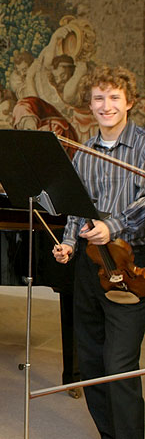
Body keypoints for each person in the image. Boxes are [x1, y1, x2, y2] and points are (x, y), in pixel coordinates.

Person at [52, 65, 145, 438]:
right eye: (98, 98)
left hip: (131, 264)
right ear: (89, 105)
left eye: (114, 98)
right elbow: (78, 207)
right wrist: (70, 242)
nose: (106, 106)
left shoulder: (142, 146)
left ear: (130, 102)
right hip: (90, 268)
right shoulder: (85, 152)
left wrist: (114, 226)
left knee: (120, 363)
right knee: (90, 362)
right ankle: (109, 434)